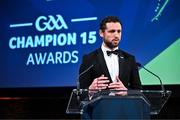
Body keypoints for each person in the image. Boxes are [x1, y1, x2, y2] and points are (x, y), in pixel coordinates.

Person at [79, 16, 142, 92]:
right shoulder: (89, 59)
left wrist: (126, 92)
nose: (116, 35)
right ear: (101, 33)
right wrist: (90, 90)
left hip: (123, 104)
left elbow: (138, 91)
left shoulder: (129, 59)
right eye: (112, 31)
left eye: (119, 31)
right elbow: (80, 93)